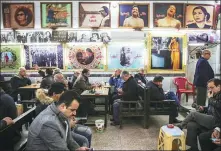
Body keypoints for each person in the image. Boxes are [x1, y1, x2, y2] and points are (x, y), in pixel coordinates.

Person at [176, 78, 221, 151]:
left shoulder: (215, 96)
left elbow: (219, 105)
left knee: (193, 114)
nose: (210, 90)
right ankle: (193, 148)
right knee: (191, 124)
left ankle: (181, 126)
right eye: (209, 88)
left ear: (219, 86)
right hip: (210, 118)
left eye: (212, 87)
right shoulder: (214, 95)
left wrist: (210, 99)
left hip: (216, 121)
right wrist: (204, 108)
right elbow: (213, 108)